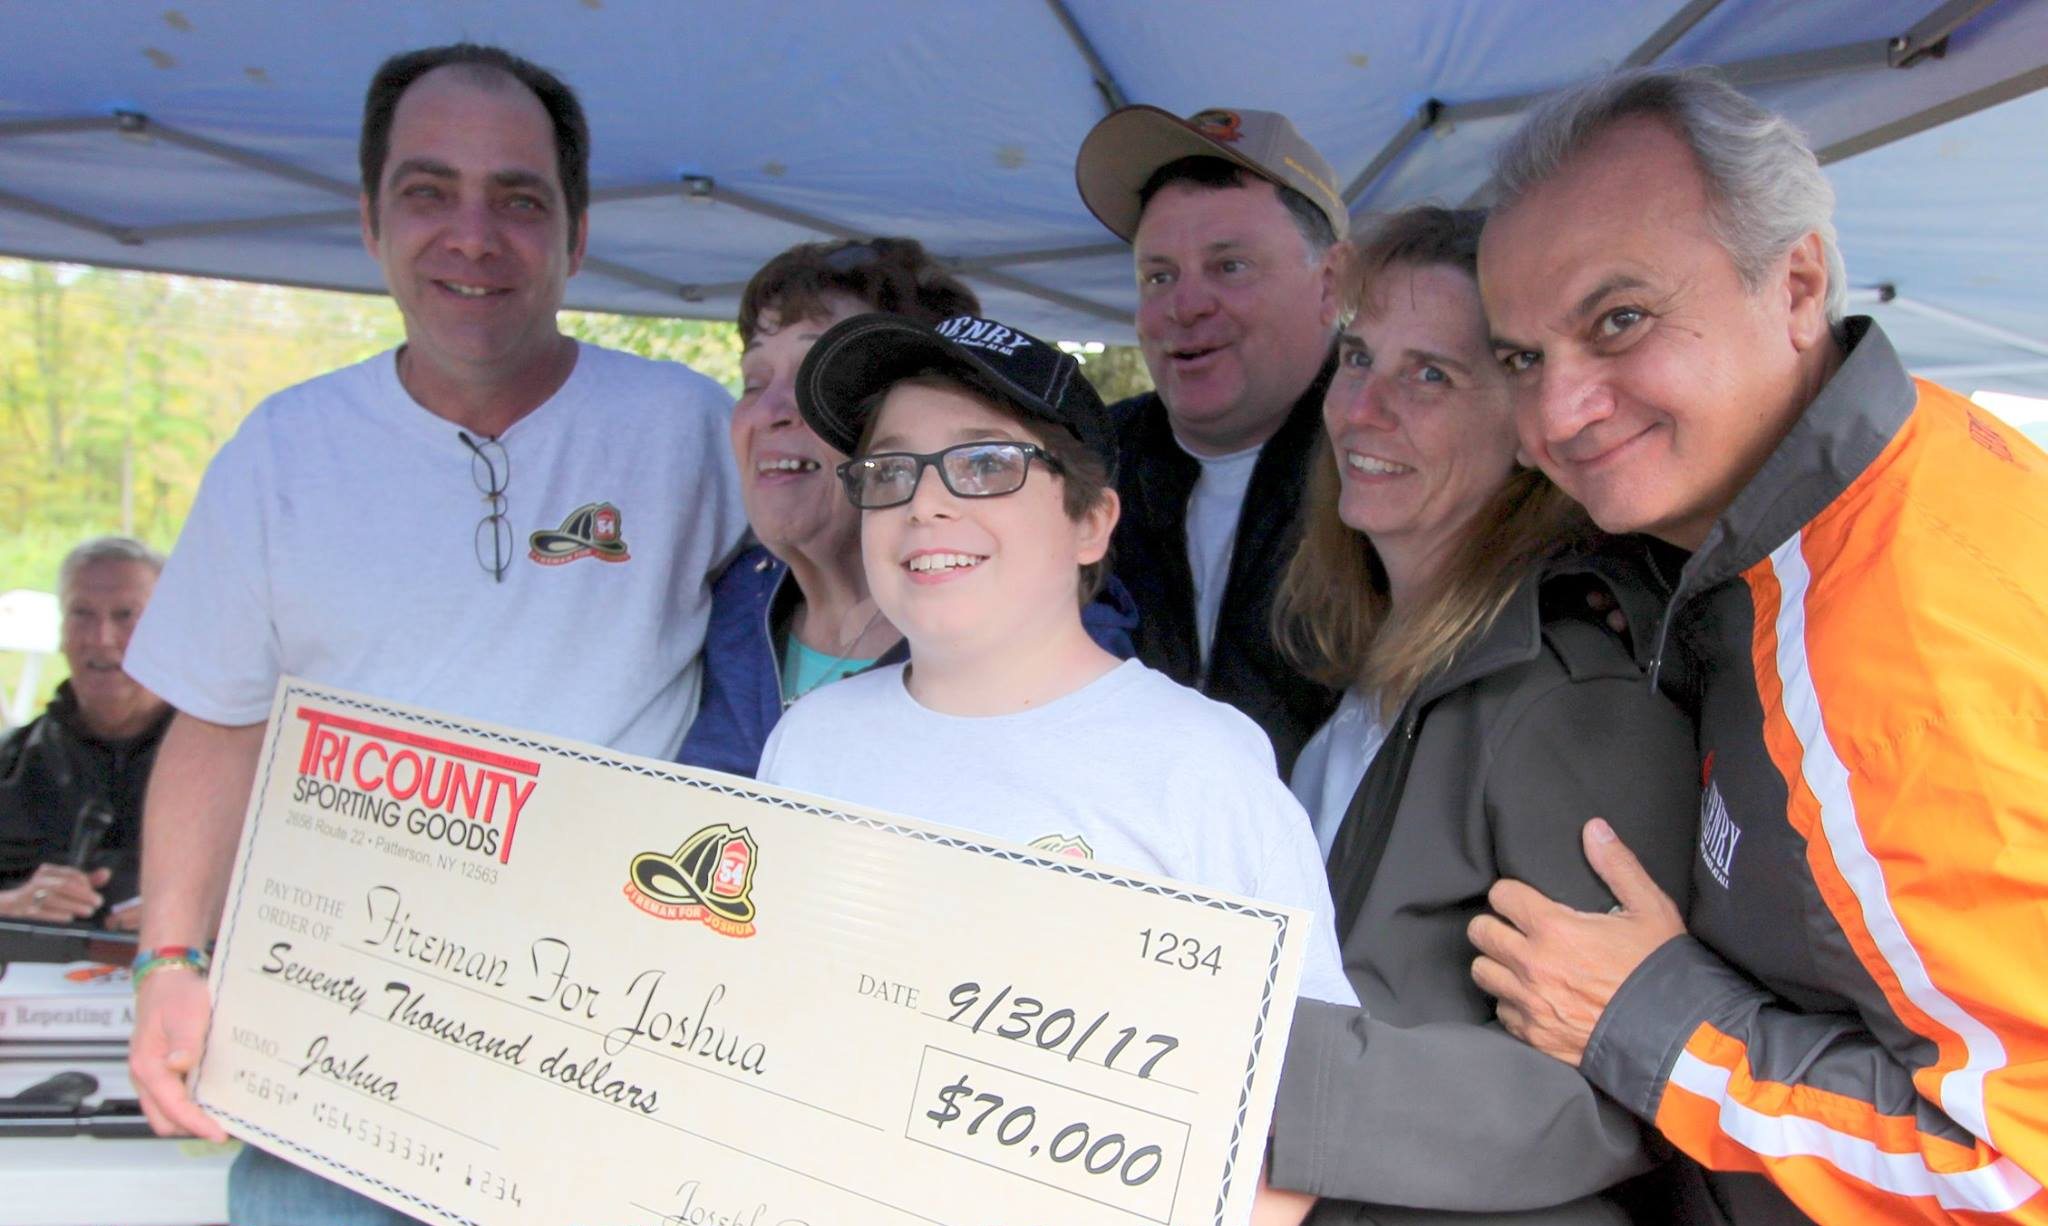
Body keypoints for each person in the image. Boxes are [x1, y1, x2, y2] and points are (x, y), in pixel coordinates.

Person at [119, 43, 745, 1224]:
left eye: (518, 198)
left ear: (576, 232)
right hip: (333, 1074)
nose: (473, 234)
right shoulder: (282, 450)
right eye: (427, 192)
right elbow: (215, 724)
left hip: (604, 1073)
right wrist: (167, 958)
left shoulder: (689, 432)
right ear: (368, 221)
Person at [1467, 68, 2048, 1224]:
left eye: (1617, 320)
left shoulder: (1892, 676)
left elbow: (2015, 1170)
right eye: (1521, 356)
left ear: (1794, 283)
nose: (1554, 414)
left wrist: (1654, 1022)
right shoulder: (1908, 458)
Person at [758, 310, 1357, 1222]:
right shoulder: (808, 739)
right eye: (890, 470)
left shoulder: (1200, 760)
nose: (925, 502)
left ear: (1092, 521)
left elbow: (1301, 1107)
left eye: (986, 463)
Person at [1256, 207, 1697, 1225]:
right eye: (1356, 355)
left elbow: (1614, 1093)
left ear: (1525, 429)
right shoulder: (1384, 661)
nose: (1360, 408)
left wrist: (1265, 1079)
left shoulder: (1567, 698)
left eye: (1429, 376)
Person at [677, 238, 1136, 777]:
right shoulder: (730, 599)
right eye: (754, 382)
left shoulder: (1044, 660)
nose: (771, 411)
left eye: (808, 381)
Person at [1074, 105, 1349, 775]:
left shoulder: (1403, 462)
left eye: (1229, 267)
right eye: (1159, 276)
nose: (1185, 306)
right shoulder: (1080, 465)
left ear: (1331, 285)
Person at [0, 536, 171, 930]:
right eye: (82, 614)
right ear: (60, 632)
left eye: (126, 615)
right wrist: (11, 904)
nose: (102, 638)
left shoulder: (234, 766)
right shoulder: (12, 763)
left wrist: (200, 916)